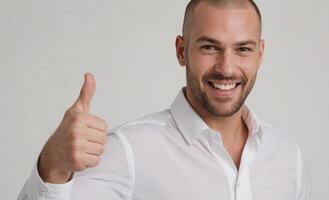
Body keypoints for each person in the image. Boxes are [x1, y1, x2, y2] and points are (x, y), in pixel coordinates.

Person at [17, 0, 311, 199]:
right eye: (210, 47)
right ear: (181, 51)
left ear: (260, 54)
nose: (227, 67)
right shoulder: (129, 150)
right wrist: (53, 163)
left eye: (243, 49)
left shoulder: (288, 157)